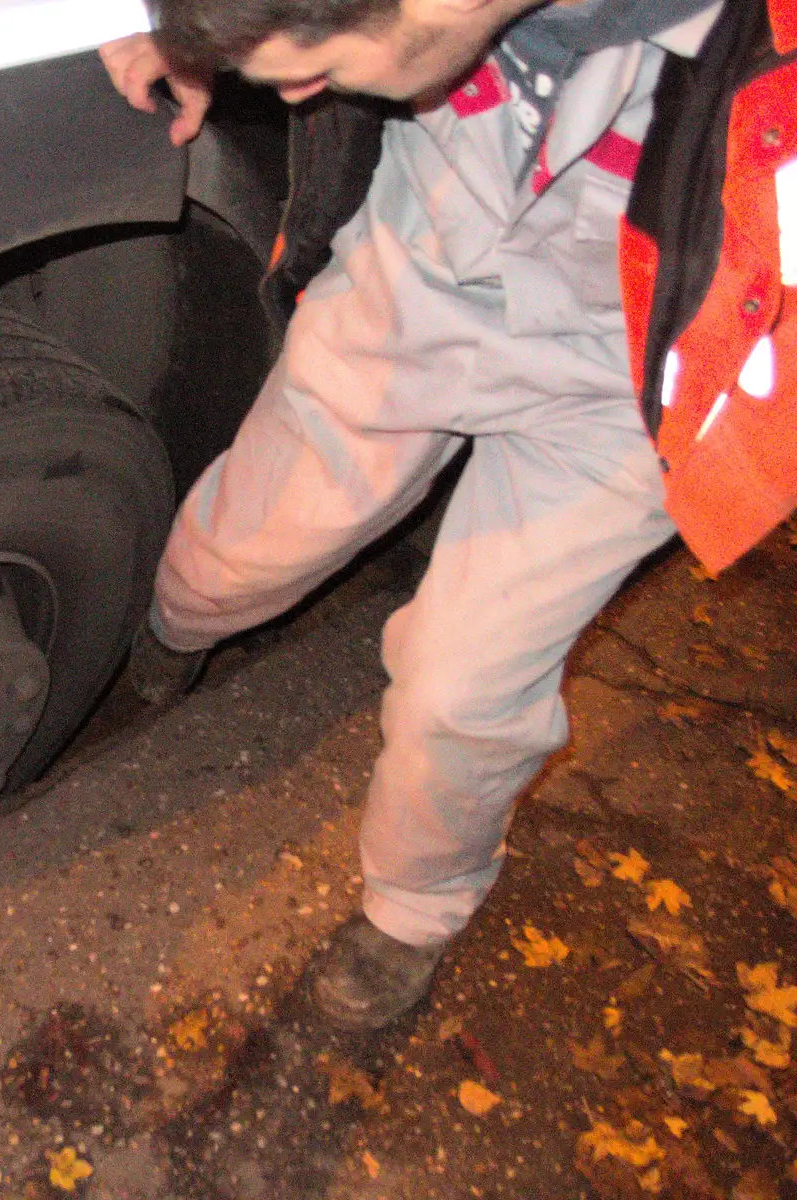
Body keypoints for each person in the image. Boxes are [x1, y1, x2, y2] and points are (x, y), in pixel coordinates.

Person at [100, 0, 797, 1030]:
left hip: (623, 381)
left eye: (315, 62)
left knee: (462, 693)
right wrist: (197, 30)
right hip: (414, 275)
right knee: (235, 549)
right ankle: (172, 640)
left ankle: (413, 911)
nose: (298, 95)